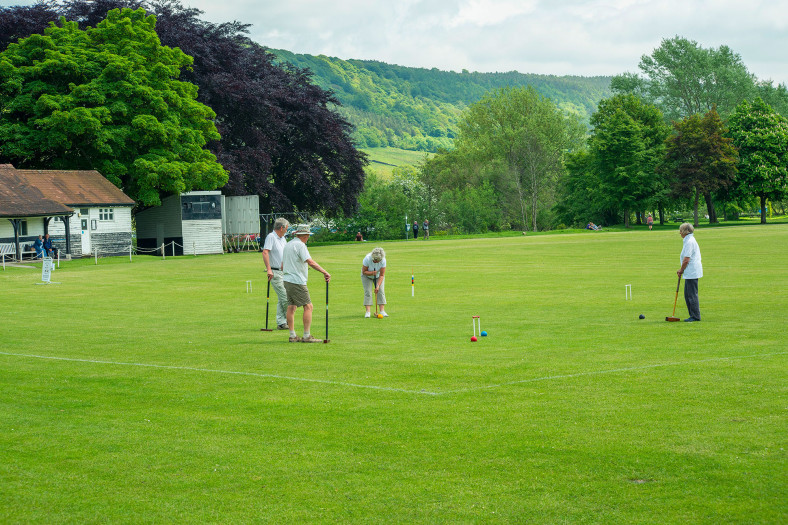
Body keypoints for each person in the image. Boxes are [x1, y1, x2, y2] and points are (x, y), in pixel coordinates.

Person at [282, 224, 331, 343]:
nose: (308, 237)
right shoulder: (300, 245)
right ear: (304, 235)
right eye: (308, 235)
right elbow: (310, 261)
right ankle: (306, 336)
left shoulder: (288, 245)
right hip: (297, 280)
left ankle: (293, 335)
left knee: (291, 306)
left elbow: (282, 265)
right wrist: (324, 272)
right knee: (308, 306)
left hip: (287, 279)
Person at [262, 218, 290, 330]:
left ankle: (281, 323)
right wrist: (268, 269)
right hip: (275, 272)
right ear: (281, 228)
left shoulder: (283, 238)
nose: (287, 231)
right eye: (286, 228)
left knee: (281, 298)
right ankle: (289, 319)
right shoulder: (271, 237)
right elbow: (265, 252)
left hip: (285, 272)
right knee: (286, 298)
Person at [677, 222, 703, 322]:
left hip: (692, 271)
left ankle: (695, 316)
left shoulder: (689, 242)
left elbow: (686, 259)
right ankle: (693, 315)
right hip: (690, 271)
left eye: (680, 231)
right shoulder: (688, 240)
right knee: (687, 294)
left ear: (684, 231)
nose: (679, 233)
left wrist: (681, 270)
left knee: (691, 295)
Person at [361, 247, 387, 318]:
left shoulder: (383, 260)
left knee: (381, 291)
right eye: (375, 260)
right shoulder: (367, 258)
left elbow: (382, 275)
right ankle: (368, 312)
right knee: (368, 292)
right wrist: (372, 273)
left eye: (377, 261)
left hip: (378, 276)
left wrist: (378, 286)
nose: (376, 262)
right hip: (366, 276)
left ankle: (382, 311)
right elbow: (364, 272)